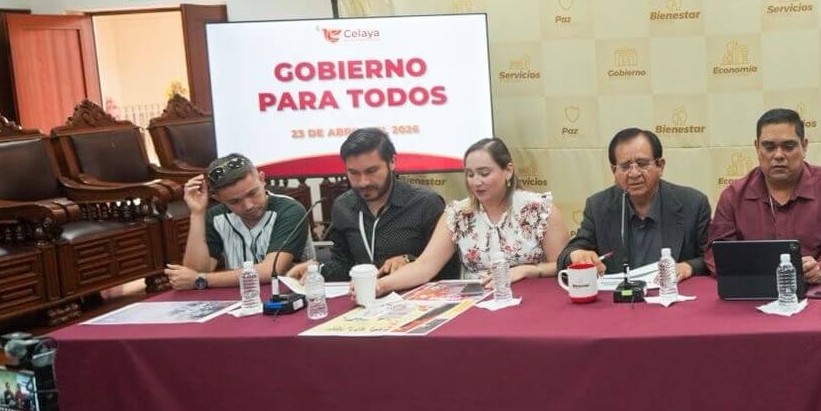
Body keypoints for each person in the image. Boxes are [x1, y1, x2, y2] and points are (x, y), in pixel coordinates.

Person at [377, 136, 569, 296]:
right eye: (470, 174)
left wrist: (528, 270)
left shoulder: (540, 209)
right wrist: (381, 285)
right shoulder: (458, 215)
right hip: (476, 303)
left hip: (534, 299)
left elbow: (562, 265)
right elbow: (425, 266)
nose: (476, 182)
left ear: (508, 171)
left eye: (484, 173)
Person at [705, 108, 821, 283]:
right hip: (754, 292)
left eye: (788, 146)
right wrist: (754, 271)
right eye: (769, 147)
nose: (779, 155)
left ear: (804, 146)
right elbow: (716, 252)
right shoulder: (733, 196)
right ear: (757, 148)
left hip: (816, 290)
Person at [287, 128, 453, 283]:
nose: (363, 182)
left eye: (372, 171)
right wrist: (317, 270)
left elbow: (448, 268)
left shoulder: (425, 203)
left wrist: (409, 260)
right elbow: (344, 264)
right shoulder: (343, 206)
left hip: (415, 300)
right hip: (365, 300)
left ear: (392, 162)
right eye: (354, 173)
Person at [559, 127, 712, 280]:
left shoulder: (693, 204)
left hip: (671, 297)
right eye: (625, 167)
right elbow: (567, 254)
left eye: (642, 164)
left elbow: (712, 258)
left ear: (660, 166)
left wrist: (688, 266)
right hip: (618, 300)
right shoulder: (598, 206)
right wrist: (576, 255)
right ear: (614, 171)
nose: (634, 174)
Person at [168, 153, 311, 290]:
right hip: (239, 297)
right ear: (218, 199)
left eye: (252, 193)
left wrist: (202, 280)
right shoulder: (216, 217)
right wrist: (197, 213)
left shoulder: (290, 210)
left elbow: (270, 271)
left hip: (286, 296)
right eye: (234, 201)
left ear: (262, 179)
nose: (248, 205)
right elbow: (194, 272)